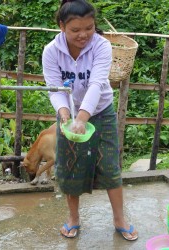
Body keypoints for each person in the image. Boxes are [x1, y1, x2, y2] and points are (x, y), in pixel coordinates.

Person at [42, 0, 138, 241]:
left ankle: (120, 219)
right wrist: (65, 115)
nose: (83, 35)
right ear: (62, 26)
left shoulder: (102, 46)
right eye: (76, 30)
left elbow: (97, 83)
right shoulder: (51, 51)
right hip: (69, 113)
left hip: (101, 112)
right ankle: (73, 219)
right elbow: (54, 89)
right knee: (70, 166)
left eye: (89, 28)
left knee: (109, 165)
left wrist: (83, 118)